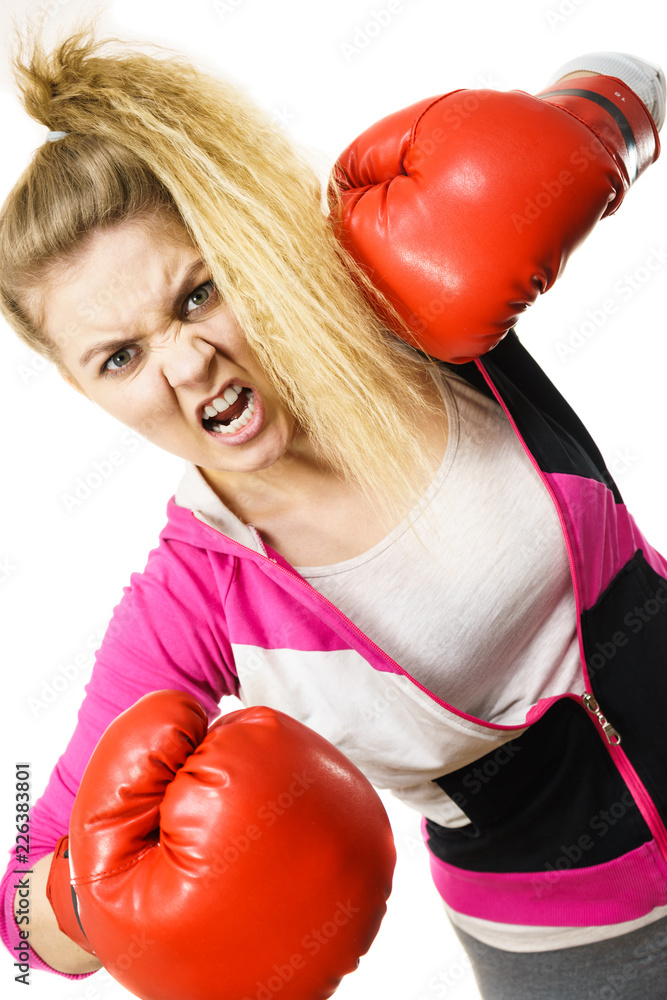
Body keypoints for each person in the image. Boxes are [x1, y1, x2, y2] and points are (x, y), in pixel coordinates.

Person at [1, 24, 666, 1000]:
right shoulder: (194, 598)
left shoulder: (407, 305)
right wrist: (78, 903)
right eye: (120, 356)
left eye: (197, 296)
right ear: (77, 386)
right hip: (576, 954)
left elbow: (638, 75)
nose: (187, 365)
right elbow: (17, 924)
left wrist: (592, 124)